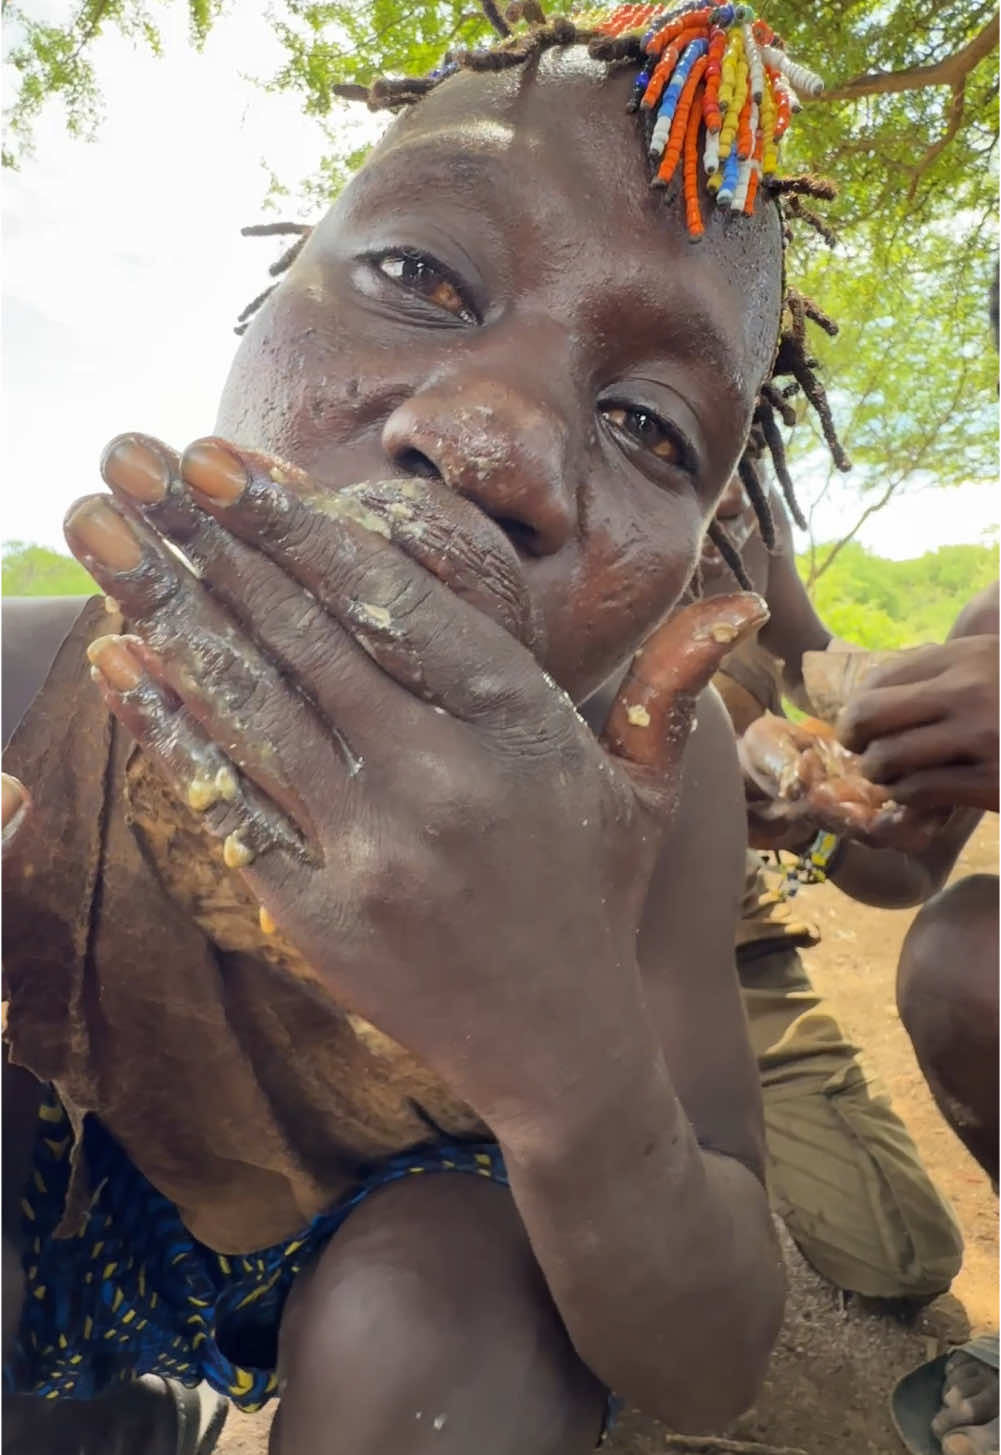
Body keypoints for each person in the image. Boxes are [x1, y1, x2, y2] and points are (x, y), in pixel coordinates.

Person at [3, 5, 852, 1450]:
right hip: (70, 1211)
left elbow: (713, 1355)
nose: (496, 437)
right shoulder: (29, 688)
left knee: (460, 1310)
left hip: (388, 1288)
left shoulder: (653, 787)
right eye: (417, 273)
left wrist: (566, 1058)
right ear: (267, 303)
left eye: (649, 426)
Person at [692, 470, 967, 1303]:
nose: (730, 493)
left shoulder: (746, 526)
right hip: (525, 939)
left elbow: (810, 662)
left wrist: (820, 792)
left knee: (901, 1256)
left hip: (719, 939)